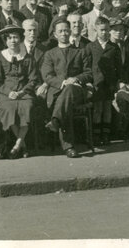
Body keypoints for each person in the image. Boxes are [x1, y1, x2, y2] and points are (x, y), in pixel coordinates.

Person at [41, 20, 92, 158]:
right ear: (55, 34)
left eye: (66, 30)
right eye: (60, 31)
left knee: (69, 91)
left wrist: (75, 79)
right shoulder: (50, 54)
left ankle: (56, 122)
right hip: (57, 91)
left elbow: (89, 73)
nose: (64, 33)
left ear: (70, 32)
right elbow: (47, 75)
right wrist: (63, 82)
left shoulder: (80, 52)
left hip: (77, 91)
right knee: (65, 102)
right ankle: (68, 147)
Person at [0, 24, 39, 159]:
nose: (13, 41)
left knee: (27, 107)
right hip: (6, 94)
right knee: (9, 108)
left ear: (20, 39)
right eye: (10, 38)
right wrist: (8, 92)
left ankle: (17, 145)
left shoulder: (28, 58)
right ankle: (22, 146)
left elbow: (33, 79)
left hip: (24, 93)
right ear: (6, 41)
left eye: (16, 37)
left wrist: (22, 92)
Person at [86, 15, 120, 145]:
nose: (104, 32)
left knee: (107, 108)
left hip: (109, 83)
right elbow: (87, 66)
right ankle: (96, 134)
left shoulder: (114, 47)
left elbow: (118, 66)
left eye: (106, 29)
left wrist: (116, 82)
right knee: (97, 108)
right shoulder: (90, 47)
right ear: (96, 30)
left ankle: (105, 134)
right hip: (96, 83)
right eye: (101, 30)